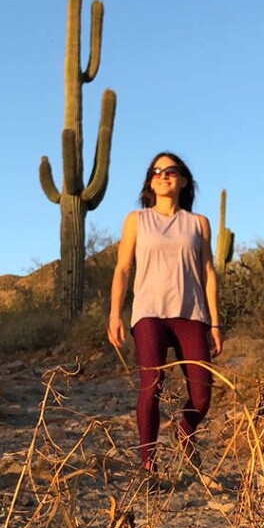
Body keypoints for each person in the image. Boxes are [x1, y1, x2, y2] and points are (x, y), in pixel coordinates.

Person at [108, 152, 223, 485]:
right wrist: (115, 313)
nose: (162, 176)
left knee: (202, 395)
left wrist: (215, 322)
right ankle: (148, 468)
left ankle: (184, 432)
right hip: (149, 314)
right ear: (150, 181)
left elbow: (208, 271)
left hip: (191, 313)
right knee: (151, 387)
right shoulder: (137, 220)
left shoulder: (198, 223)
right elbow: (123, 268)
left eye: (170, 171)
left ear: (183, 180)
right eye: (155, 172)